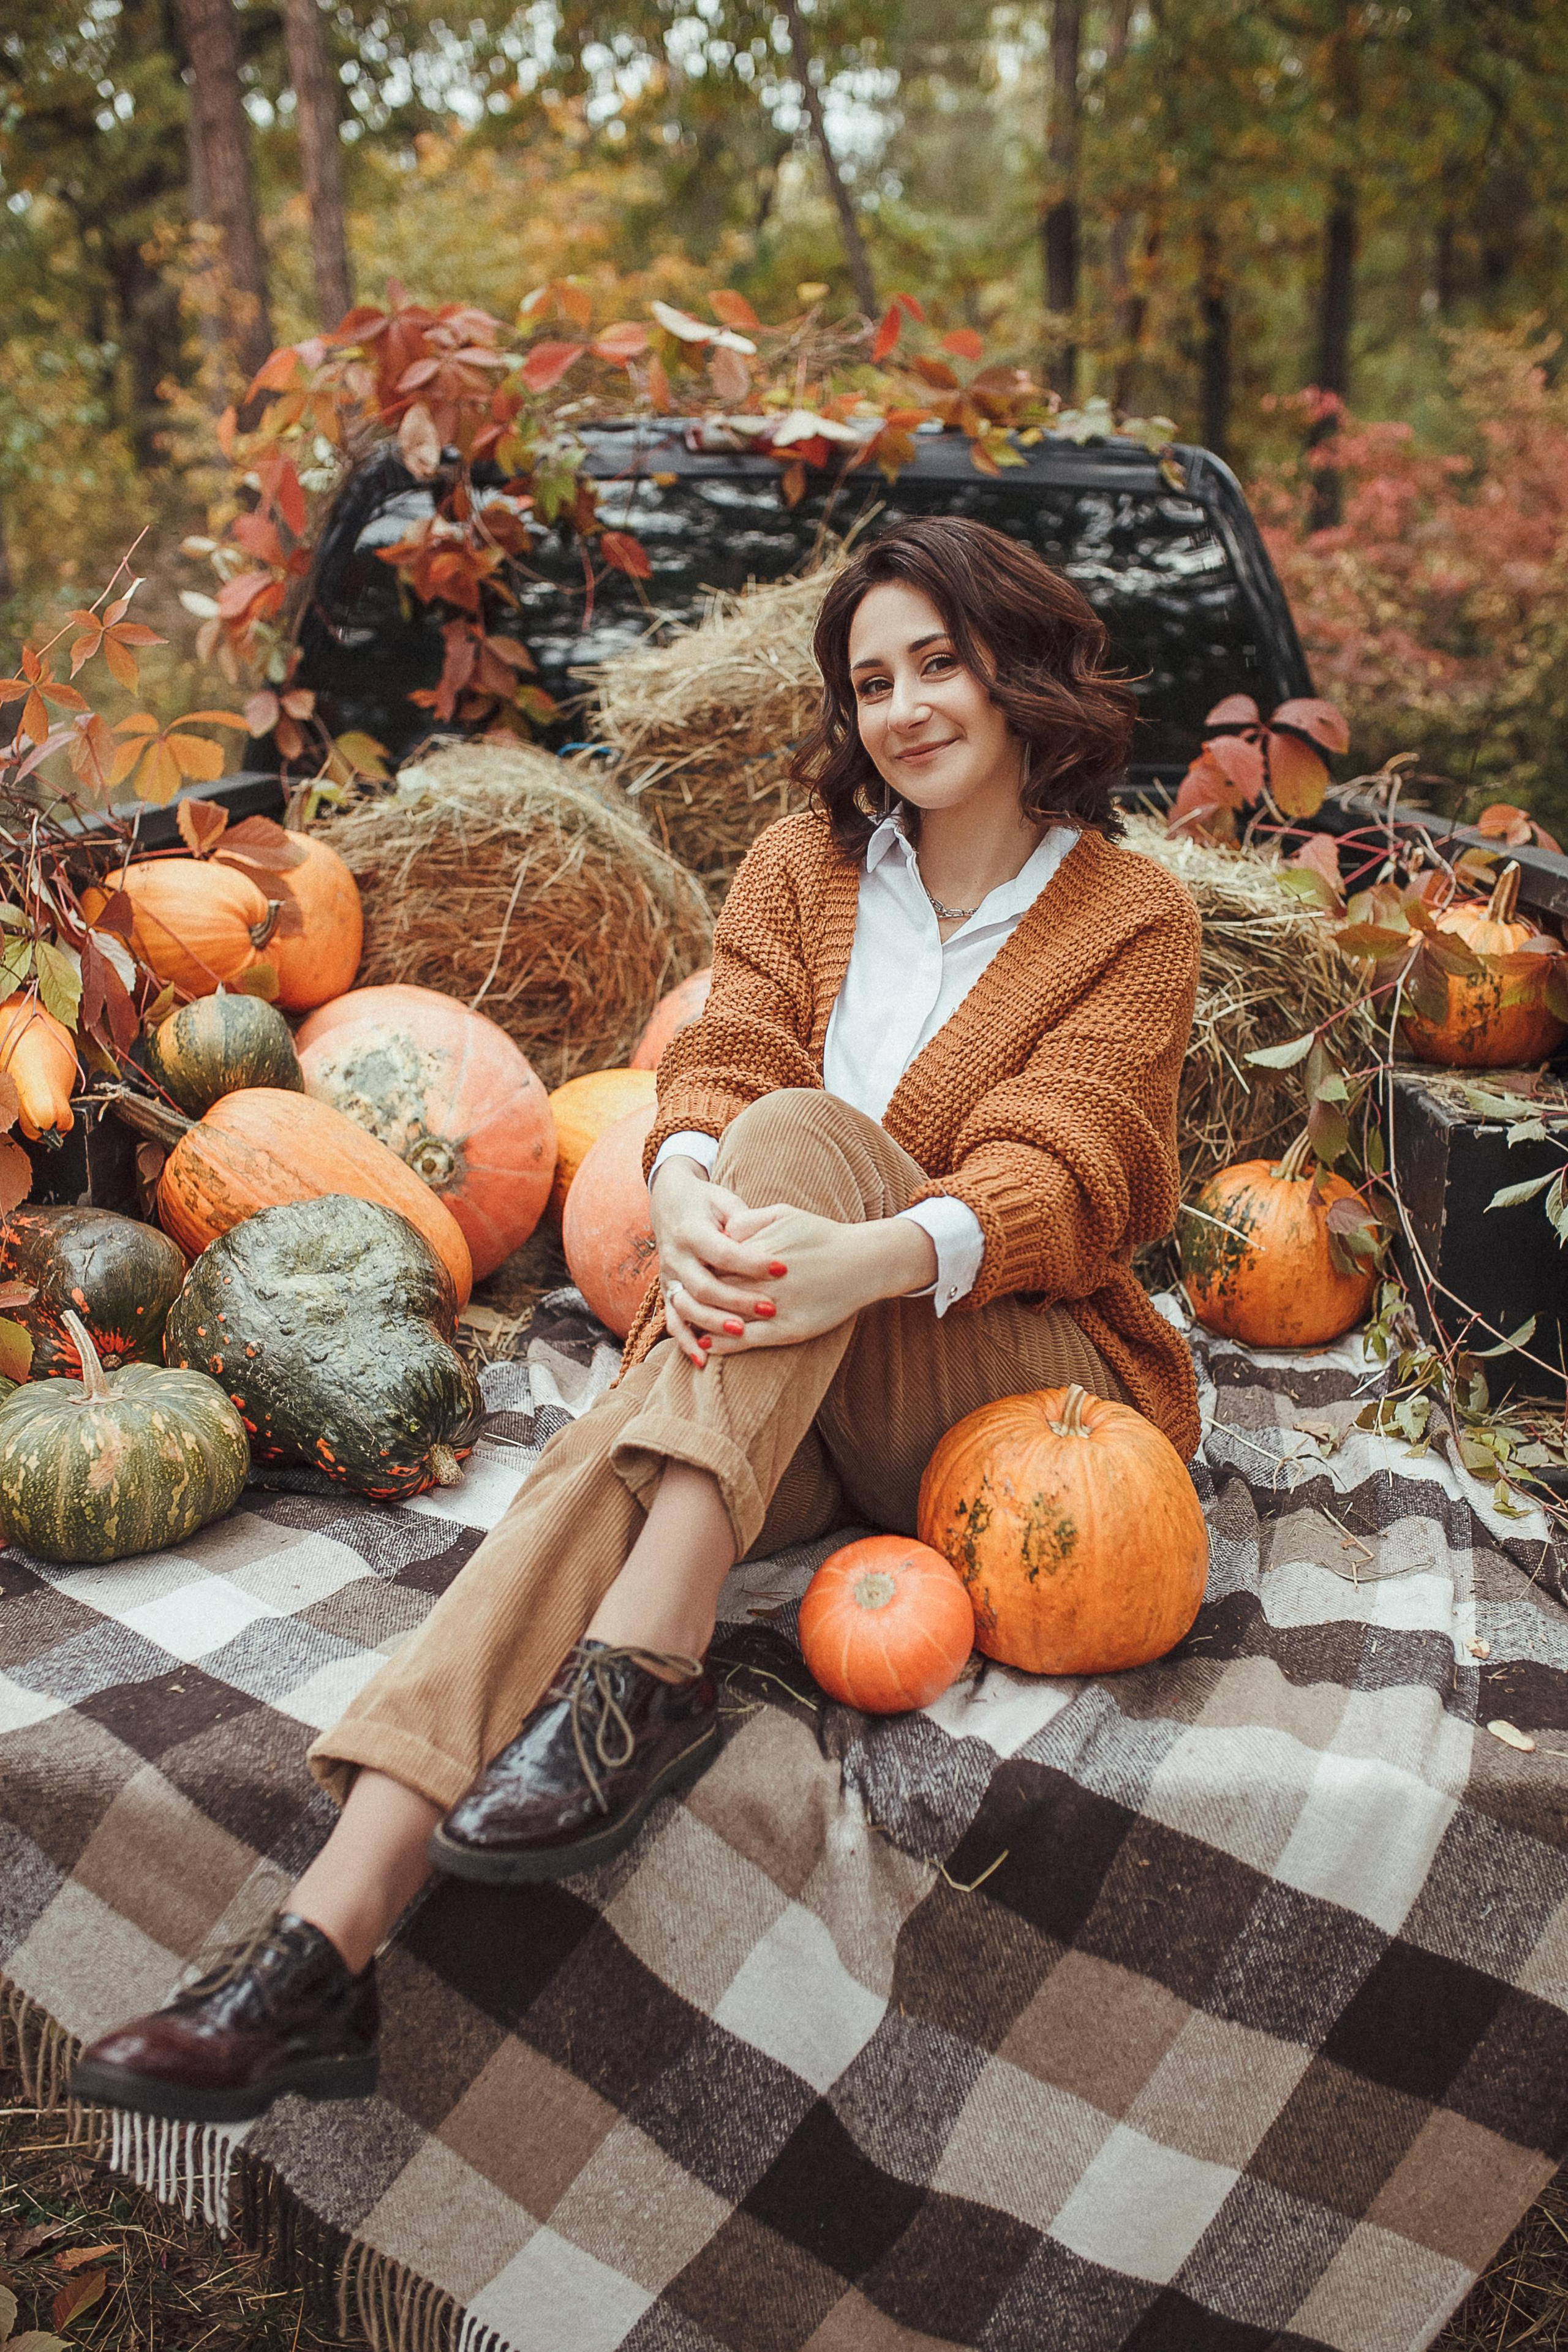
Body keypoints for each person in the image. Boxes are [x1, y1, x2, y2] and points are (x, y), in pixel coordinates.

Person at [71, 515, 1202, 2125]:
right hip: (797, 1368)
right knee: (614, 1444)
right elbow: (722, 1055)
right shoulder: (806, 867)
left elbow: (1077, 1167)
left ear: (1021, 674)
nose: (904, 708)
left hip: (1011, 1390)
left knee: (796, 1149)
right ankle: (318, 1953)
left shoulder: (1131, 914)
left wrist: (853, 1254)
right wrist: (674, 1182)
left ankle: (648, 1668)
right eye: (871, 680)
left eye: (938, 664)